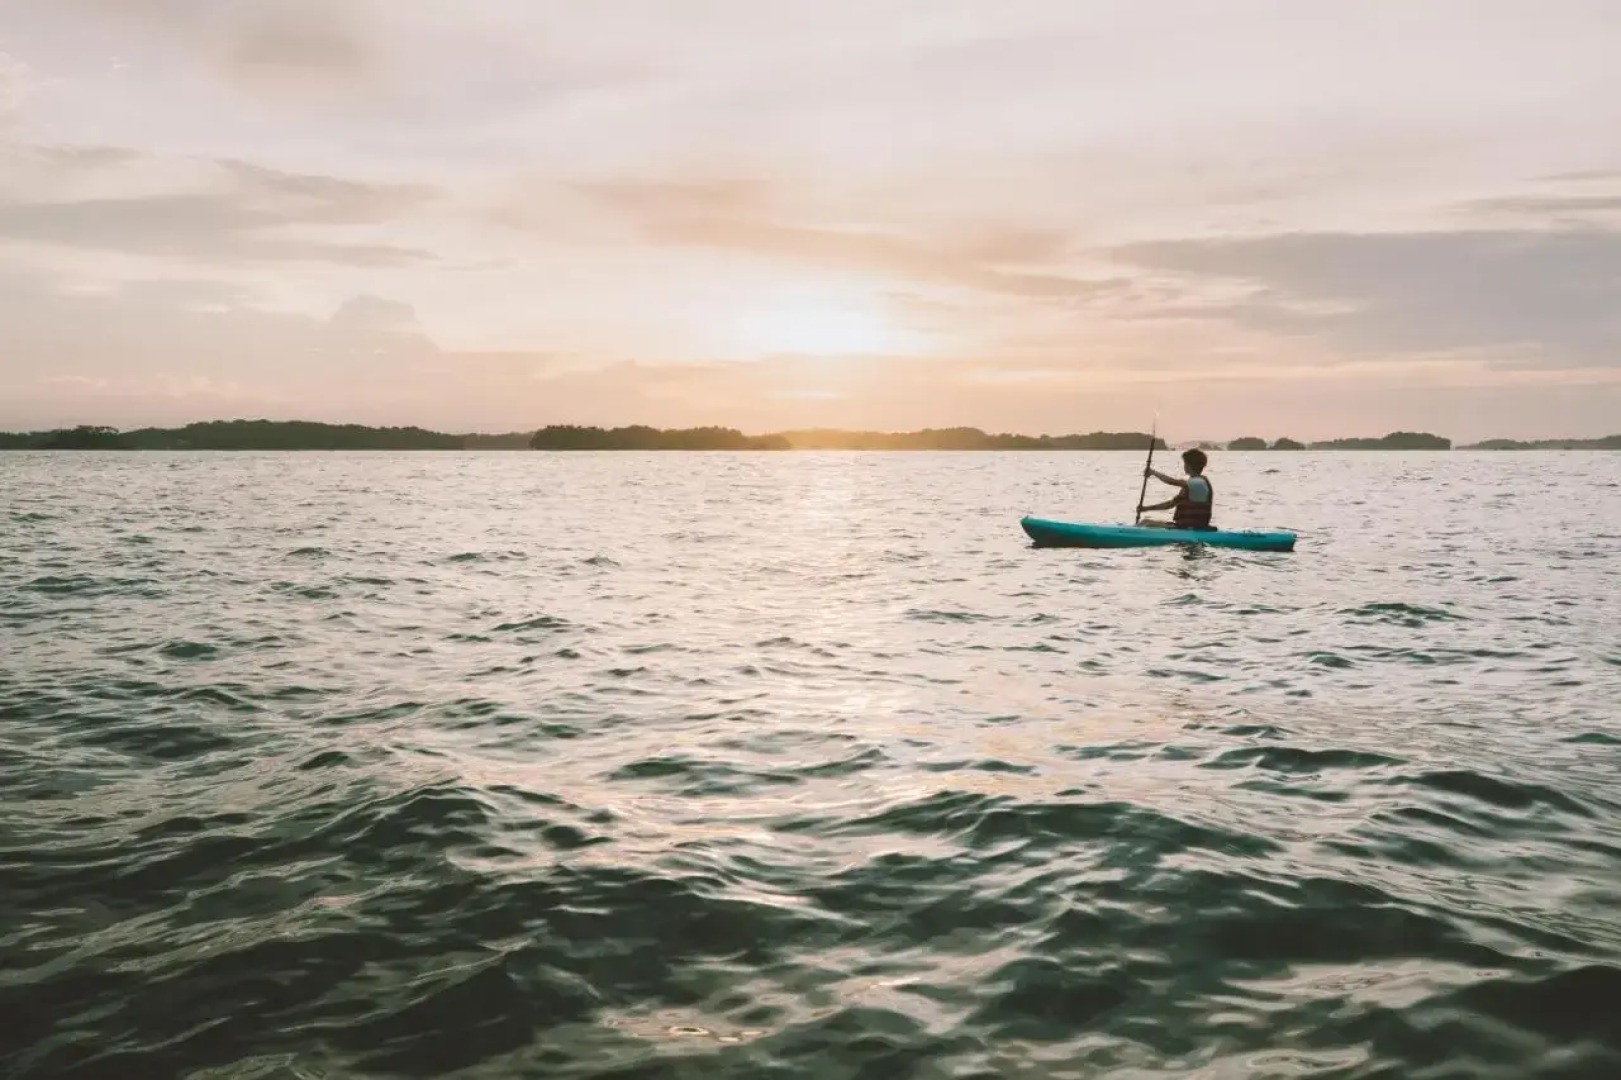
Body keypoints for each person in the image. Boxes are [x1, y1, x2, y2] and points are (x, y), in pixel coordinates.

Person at [1137, 448, 1215, 530]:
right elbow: (1170, 504)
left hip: (1192, 528)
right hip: (1184, 526)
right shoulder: (1191, 485)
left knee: (1146, 524)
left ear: (1188, 465)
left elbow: (1171, 481)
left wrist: (1153, 472)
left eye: (1185, 463)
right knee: (1145, 522)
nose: (1184, 466)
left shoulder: (1199, 483)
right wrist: (1146, 508)